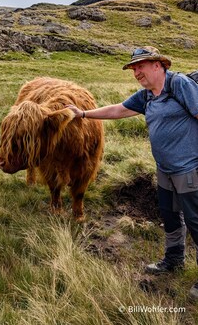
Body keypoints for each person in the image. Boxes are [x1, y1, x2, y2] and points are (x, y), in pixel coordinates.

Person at [67, 46, 198, 299]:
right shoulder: (147, 95)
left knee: (196, 222)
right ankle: (173, 260)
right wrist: (83, 114)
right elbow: (119, 109)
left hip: (189, 169)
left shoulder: (179, 85)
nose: (136, 72)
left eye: (141, 66)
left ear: (158, 65)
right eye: (133, 68)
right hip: (165, 170)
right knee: (170, 217)